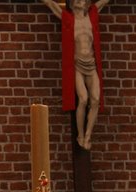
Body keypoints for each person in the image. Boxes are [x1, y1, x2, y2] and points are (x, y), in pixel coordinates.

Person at [41, 0, 110, 150]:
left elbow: (104, 1)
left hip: (91, 64)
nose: (80, 0)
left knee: (96, 99)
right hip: (77, 65)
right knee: (83, 99)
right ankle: (80, 135)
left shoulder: (92, 15)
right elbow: (51, 4)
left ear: (86, 3)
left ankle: (88, 135)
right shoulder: (68, 19)